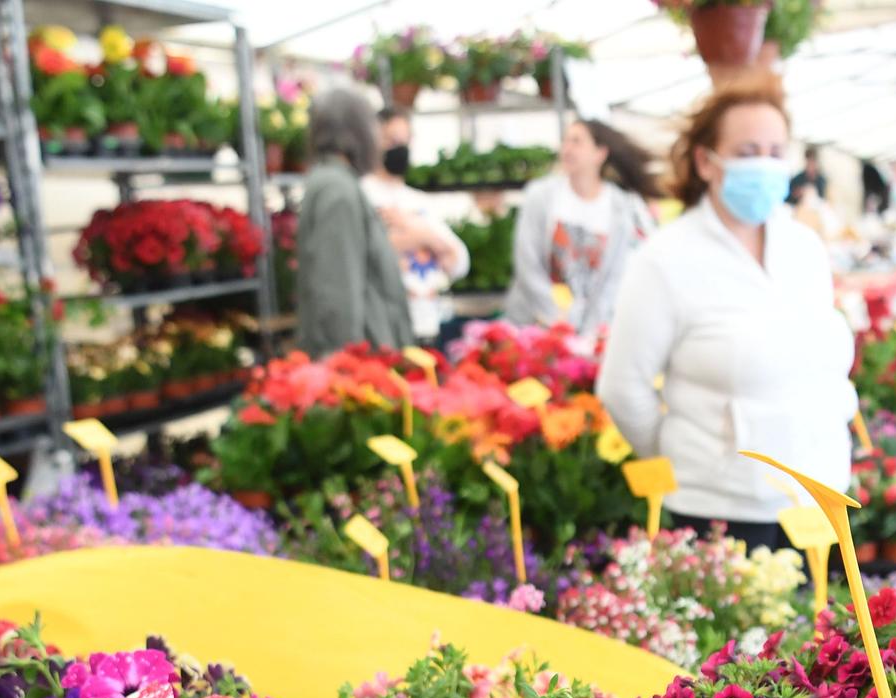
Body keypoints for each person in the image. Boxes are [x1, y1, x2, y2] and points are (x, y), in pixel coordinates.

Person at [600, 76, 857, 552]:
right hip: (723, 516)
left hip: (821, 502)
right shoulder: (665, 261)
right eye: (747, 151)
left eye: (775, 151)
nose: (764, 164)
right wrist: (686, 456)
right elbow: (622, 386)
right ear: (705, 162)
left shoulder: (804, 247)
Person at [503, 119, 658, 336]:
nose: (567, 148)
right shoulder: (541, 196)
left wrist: (591, 331)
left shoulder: (622, 207)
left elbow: (618, 275)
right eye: (565, 141)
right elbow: (527, 263)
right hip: (537, 327)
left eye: (577, 142)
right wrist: (559, 321)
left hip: (595, 332)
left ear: (600, 154)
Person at [297, 88, 412, 357]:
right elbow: (337, 293)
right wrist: (349, 370)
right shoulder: (338, 191)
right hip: (361, 364)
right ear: (357, 131)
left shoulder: (336, 183)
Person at [360, 107, 469, 344]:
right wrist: (424, 238)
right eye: (391, 140)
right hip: (384, 328)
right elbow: (367, 253)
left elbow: (458, 261)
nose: (399, 147)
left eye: (405, 140)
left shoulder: (419, 201)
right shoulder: (362, 194)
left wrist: (417, 232)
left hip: (428, 323)